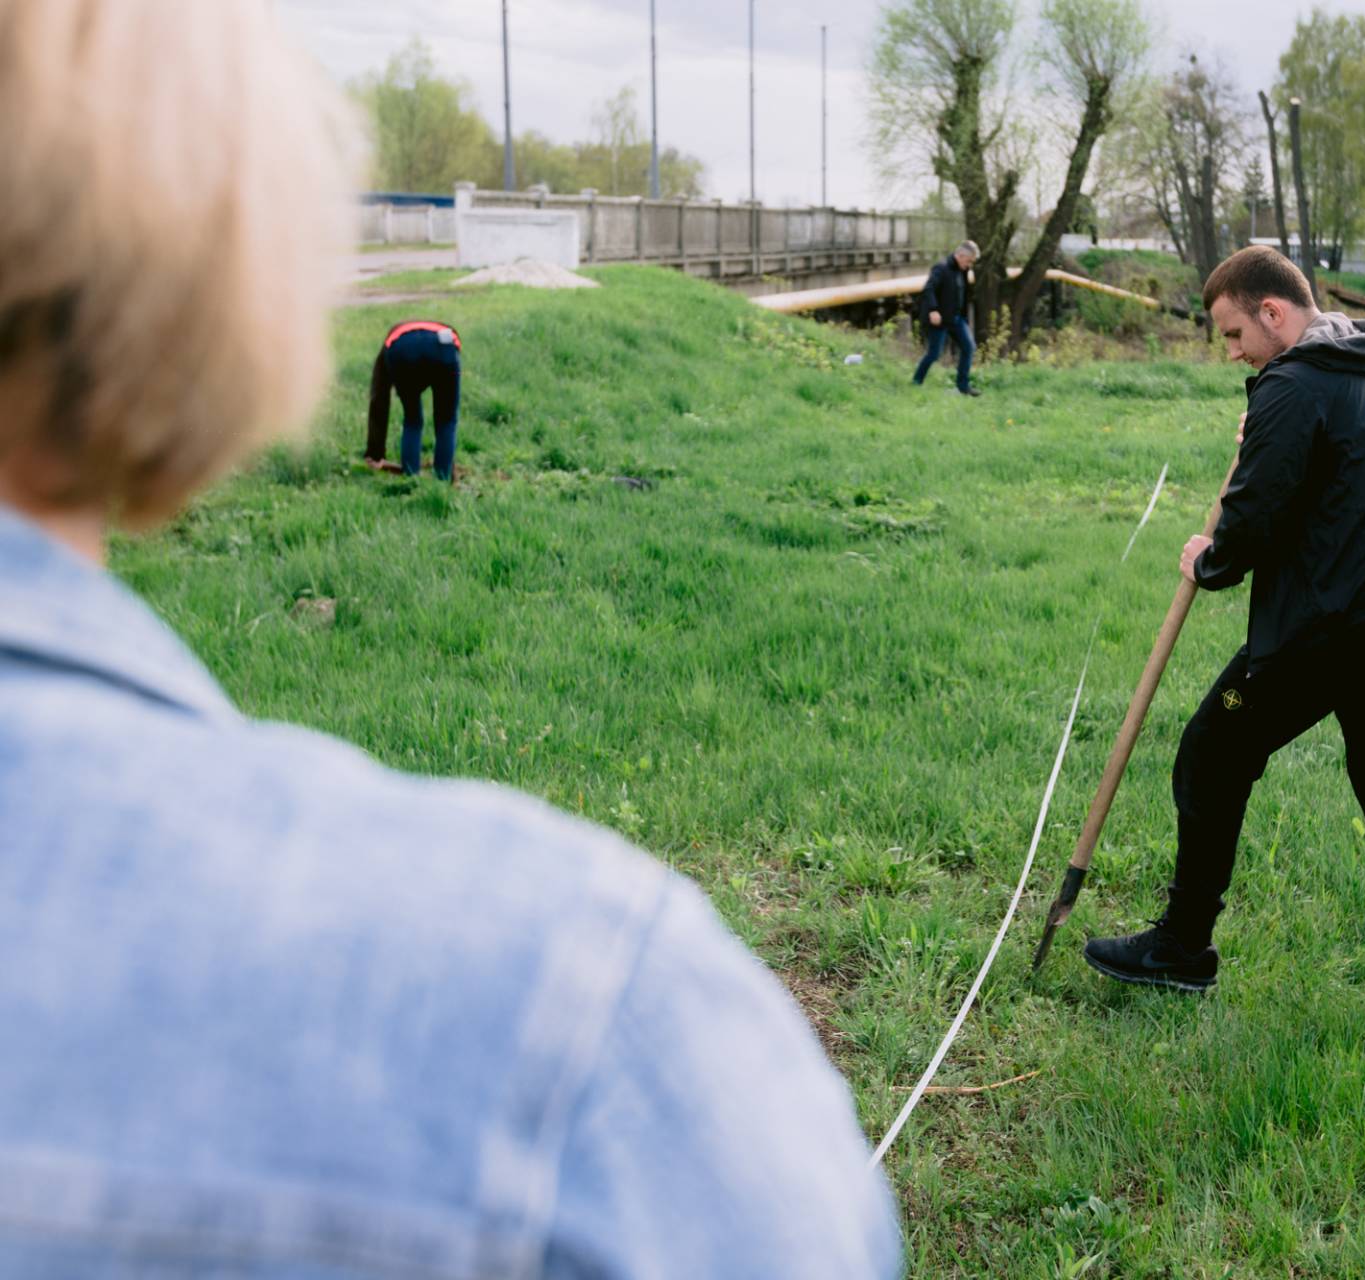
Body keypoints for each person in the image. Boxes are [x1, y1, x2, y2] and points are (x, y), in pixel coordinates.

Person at [0, 3, 900, 1275]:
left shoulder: (395, 337)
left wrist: (384, 445)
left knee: (413, 436)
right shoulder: (582, 1031)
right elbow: (435, 394)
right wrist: (438, 462)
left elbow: (395, 383)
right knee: (430, 444)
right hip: (429, 377)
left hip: (414, 369)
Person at [1083, 246, 1365, 1010]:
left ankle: (1182, 947)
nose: (1233, 355)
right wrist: (1265, 435)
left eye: (1234, 335)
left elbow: (1255, 520)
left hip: (1343, 627)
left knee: (1211, 752)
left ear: (1274, 311)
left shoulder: (1291, 383)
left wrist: (1208, 559)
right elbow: (1328, 481)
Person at [366, 318, 462, 480]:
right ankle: (443, 478)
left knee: (412, 420)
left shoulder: (392, 342)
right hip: (444, 348)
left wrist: (375, 453)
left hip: (402, 352)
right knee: (446, 420)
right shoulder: (448, 331)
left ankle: (411, 478)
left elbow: (379, 397)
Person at [912, 240, 980, 396]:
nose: (970, 265)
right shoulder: (941, 268)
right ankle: (916, 382)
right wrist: (933, 310)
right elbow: (928, 289)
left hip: (956, 319)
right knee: (934, 354)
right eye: (969, 261)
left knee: (969, 347)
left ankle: (963, 387)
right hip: (940, 319)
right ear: (961, 255)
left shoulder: (962, 270)